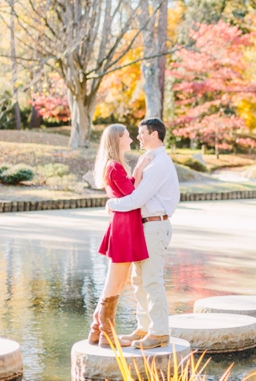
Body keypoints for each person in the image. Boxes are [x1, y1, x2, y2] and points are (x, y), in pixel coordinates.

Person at [107, 118, 180, 350]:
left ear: (155, 135)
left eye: (141, 133)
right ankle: (143, 327)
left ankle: (159, 333)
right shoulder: (149, 161)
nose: (138, 137)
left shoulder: (160, 164)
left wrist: (112, 204)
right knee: (139, 281)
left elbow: (137, 199)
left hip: (155, 226)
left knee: (151, 280)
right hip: (144, 226)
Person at [88, 124, 151, 348]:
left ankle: (97, 331)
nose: (132, 139)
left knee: (117, 281)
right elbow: (133, 195)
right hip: (124, 226)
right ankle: (107, 335)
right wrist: (140, 169)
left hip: (125, 224)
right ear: (118, 139)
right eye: (127, 136)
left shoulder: (115, 165)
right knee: (116, 282)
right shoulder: (114, 166)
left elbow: (128, 189)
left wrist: (137, 170)